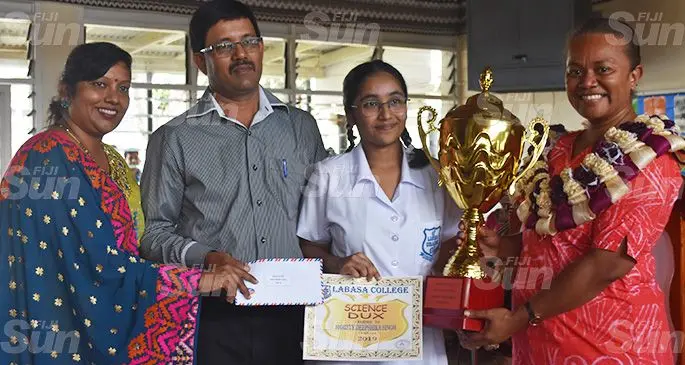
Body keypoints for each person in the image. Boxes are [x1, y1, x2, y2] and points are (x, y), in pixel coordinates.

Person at [459, 17, 685, 364]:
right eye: (575, 71)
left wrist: (518, 319)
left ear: (634, 75)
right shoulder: (557, 149)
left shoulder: (649, 157)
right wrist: (499, 247)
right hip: (538, 346)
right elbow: (547, 244)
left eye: (603, 69)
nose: (587, 82)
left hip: (613, 349)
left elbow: (604, 265)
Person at [0, 42, 233, 365]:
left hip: (112, 308)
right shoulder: (46, 159)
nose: (113, 98)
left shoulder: (110, 158)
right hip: (60, 326)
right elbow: (95, 265)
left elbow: (133, 245)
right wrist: (196, 281)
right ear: (67, 91)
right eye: (99, 84)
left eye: (123, 88)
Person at [138, 1, 328, 364]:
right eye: (224, 46)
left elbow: (324, 218)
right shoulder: (174, 137)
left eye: (249, 41)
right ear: (200, 61)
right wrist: (208, 258)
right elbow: (154, 235)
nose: (241, 54)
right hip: (215, 318)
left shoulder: (301, 127)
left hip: (300, 313)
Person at [296, 60, 463, 365]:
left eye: (395, 101)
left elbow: (453, 244)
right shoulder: (329, 176)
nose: (386, 115)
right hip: (349, 338)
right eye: (371, 103)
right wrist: (337, 262)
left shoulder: (438, 174)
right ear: (351, 114)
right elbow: (309, 245)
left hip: (420, 339)